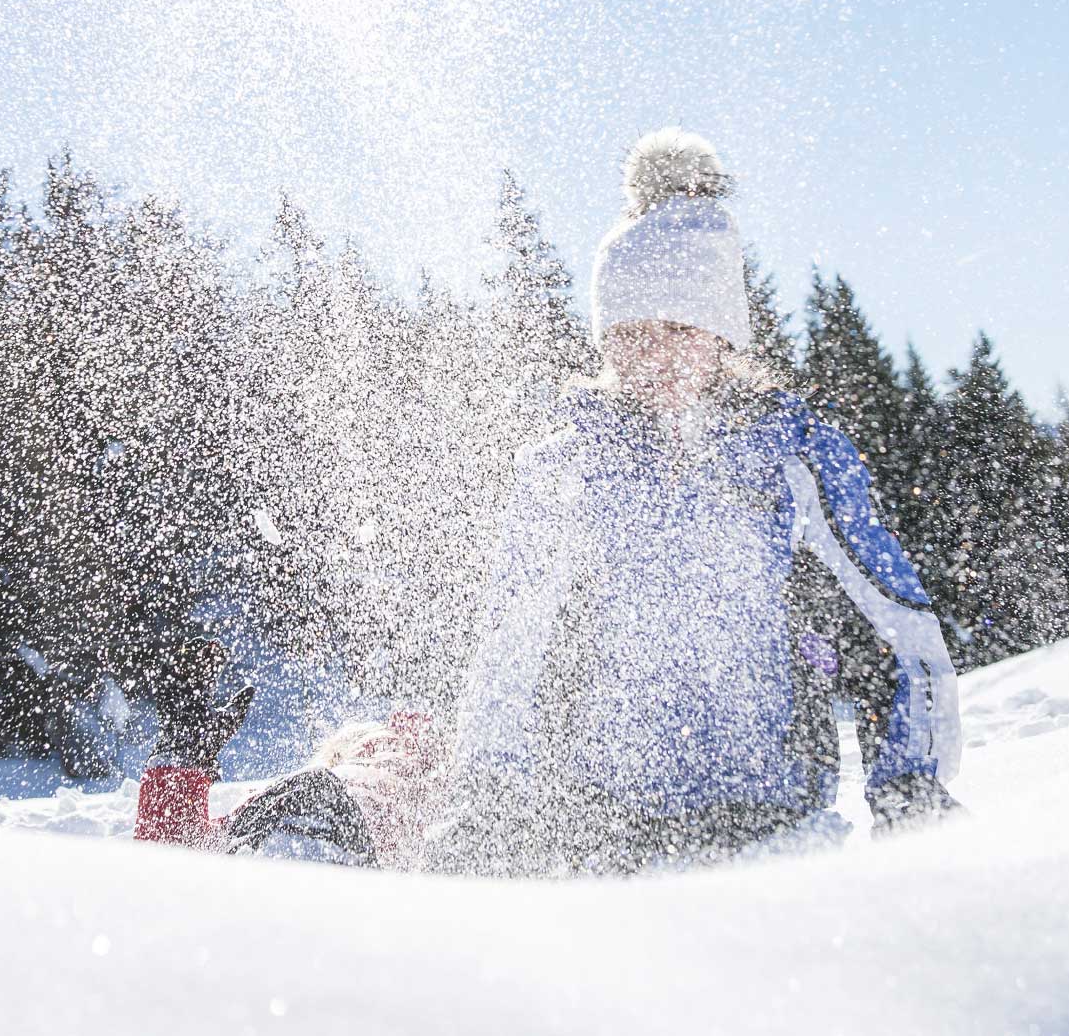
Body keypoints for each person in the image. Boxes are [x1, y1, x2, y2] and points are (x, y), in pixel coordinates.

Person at [435, 127, 965, 876]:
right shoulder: (564, 467)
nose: (655, 354)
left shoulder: (792, 456)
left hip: (776, 813)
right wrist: (488, 797)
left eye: (680, 328)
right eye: (630, 332)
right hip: (602, 819)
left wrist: (910, 783)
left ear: (722, 333)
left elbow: (897, 624)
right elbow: (509, 649)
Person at [132, 640, 440, 868]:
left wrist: (178, 754)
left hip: (314, 825)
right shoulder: (412, 786)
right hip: (340, 838)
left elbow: (178, 848)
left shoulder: (314, 780)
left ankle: (181, 749)